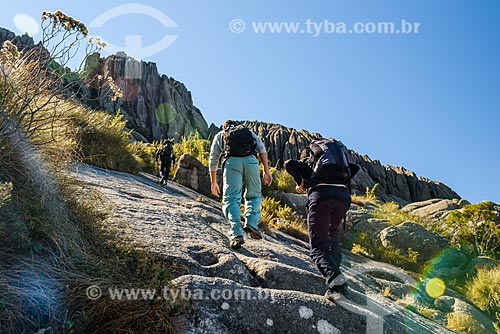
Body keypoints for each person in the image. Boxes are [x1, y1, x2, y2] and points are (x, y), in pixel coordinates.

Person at [284, 139, 359, 301]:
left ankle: (338, 286)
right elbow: (356, 168)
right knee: (333, 241)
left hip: (322, 197)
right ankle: (334, 275)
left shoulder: (306, 164)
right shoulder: (336, 163)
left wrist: (300, 182)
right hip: (343, 198)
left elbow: (289, 163)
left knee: (318, 247)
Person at [209, 120, 273, 249]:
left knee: (231, 199)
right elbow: (262, 149)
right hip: (251, 162)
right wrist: (266, 171)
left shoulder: (221, 135)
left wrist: (213, 182)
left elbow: (213, 158)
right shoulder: (248, 132)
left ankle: (236, 233)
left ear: (224, 127)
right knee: (254, 195)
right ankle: (252, 223)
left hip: (232, 163)